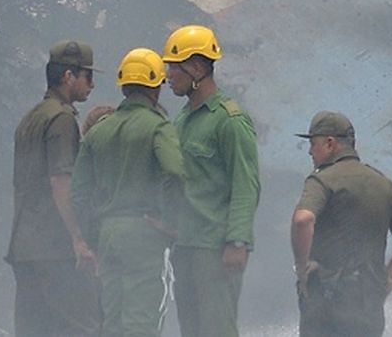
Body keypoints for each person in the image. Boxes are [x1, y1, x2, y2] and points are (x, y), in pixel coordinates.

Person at [71, 47, 183, 337]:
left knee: (112, 323)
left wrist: (92, 238)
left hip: (107, 234)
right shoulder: (159, 127)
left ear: (123, 85)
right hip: (145, 233)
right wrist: (171, 222)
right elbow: (174, 172)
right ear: (156, 89)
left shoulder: (98, 131)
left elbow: (78, 194)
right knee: (142, 324)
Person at [162, 25, 260, 337]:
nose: (167, 75)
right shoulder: (183, 118)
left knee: (216, 329)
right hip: (186, 244)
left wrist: (238, 241)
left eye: (173, 67)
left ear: (197, 67)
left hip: (215, 247)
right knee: (191, 329)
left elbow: (246, 184)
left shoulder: (229, 120)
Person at [291, 111, 392, 337]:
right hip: (369, 300)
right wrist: (389, 277)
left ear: (330, 143)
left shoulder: (322, 179)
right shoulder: (382, 182)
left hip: (327, 296)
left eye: (313, 143)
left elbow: (303, 219)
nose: (310, 151)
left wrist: (302, 269)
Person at [6, 40, 103, 337]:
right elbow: (61, 181)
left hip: (24, 247)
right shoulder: (61, 119)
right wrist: (78, 239)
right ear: (68, 77)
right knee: (84, 327)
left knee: (35, 329)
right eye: (87, 75)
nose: (92, 84)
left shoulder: (31, 118)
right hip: (55, 248)